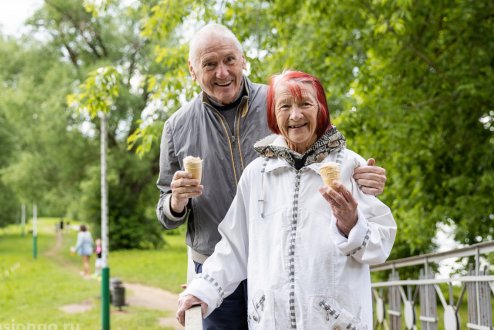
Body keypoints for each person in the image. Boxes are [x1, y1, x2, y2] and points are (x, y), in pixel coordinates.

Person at [156, 23, 388, 329]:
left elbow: (380, 244)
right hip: (264, 307)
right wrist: (203, 288)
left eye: (305, 104)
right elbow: (234, 245)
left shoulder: (347, 166)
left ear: (321, 110)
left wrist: (352, 225)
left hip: (333, 321)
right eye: (285, 107)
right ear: (273, 116)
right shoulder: (255, 171)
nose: (295, 115)